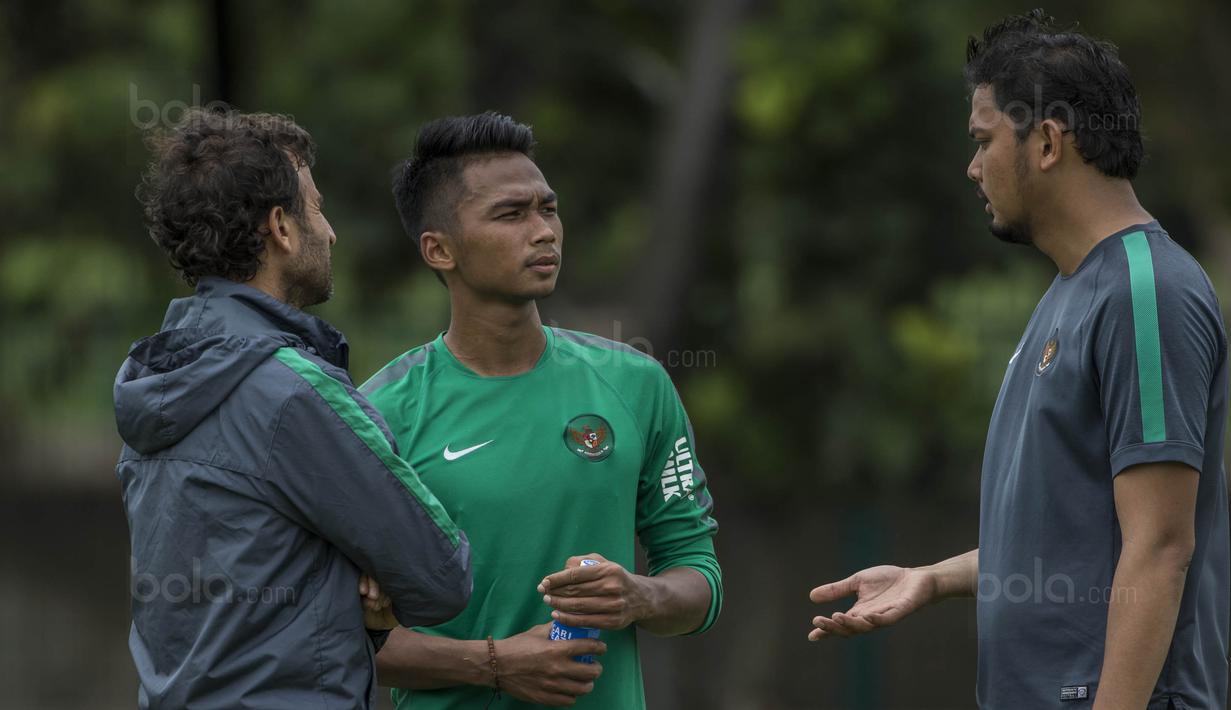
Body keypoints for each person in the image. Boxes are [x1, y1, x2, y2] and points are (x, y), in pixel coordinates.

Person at [808, 10, 1229, 709]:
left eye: (983, 140)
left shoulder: (1145, 293)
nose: (972, 167)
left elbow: (1158, 547)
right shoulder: (1071, 291)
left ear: (1046, 143)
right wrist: (933, 578)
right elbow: (1069, 539)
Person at [361, 112, 722, 708]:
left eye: (547, 209)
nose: (544, 230)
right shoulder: (379, 415)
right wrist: (495, 666)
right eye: (511, 214)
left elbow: (697, 575)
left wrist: (639, 597)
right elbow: (353, 641)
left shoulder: (636, 385)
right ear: (439, 249)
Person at [115, 107, 472, 709]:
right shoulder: (291, 391)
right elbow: (442, 578)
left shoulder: (153, 379)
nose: (329, 230)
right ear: (280, 227)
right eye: (317, 206)